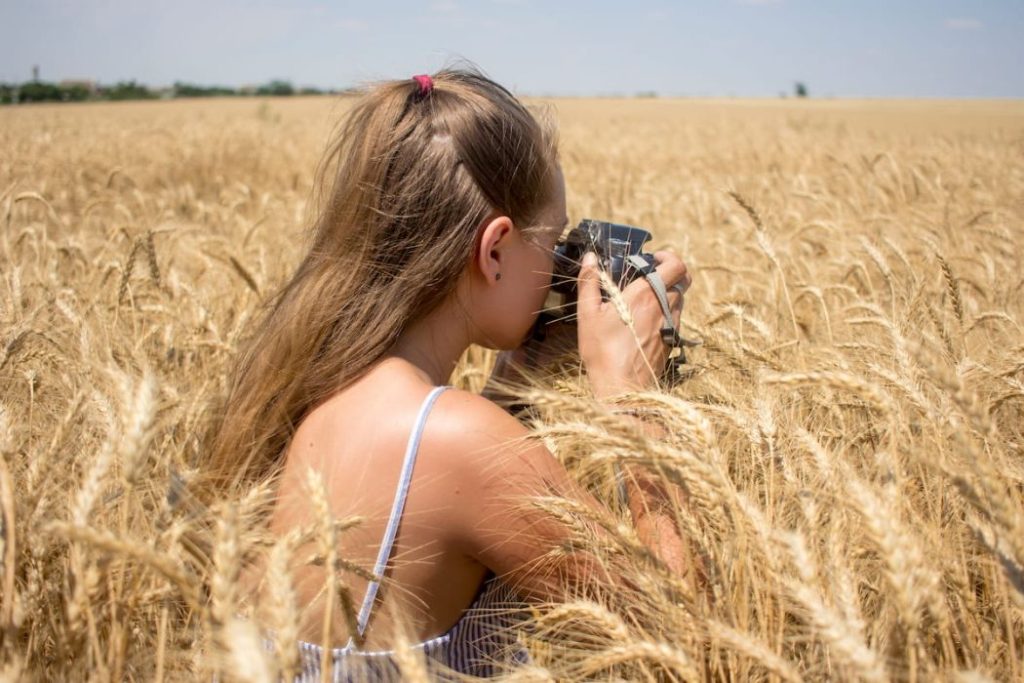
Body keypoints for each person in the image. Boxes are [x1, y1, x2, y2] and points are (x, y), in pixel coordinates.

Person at [208, 67, 692, 680]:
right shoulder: (458, 441)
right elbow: (678, 636)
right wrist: (634, 402)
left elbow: (430, 497)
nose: (561, 268)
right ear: (494, 251)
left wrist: (523, 366)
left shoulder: (317, 386)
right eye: (553, 244)